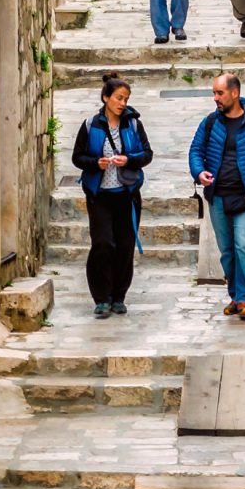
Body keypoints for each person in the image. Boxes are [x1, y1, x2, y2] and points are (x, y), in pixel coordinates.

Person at [188, 72, 245, 321]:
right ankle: (234, 295)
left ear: (234, 93)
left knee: (243, 246)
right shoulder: (210, 123)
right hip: (217, 195)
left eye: (220, 93)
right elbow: (196, 150)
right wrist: (199, 173)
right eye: (214, 93)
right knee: (227, 250)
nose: (216, 98)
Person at [70, 74, 154, 320]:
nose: (123, 103)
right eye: (119, 98)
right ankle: (101, 298)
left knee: (125, 246)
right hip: (100, 196)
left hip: (127, 196)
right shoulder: (90, 125)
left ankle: (119, 297)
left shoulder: (133, 124)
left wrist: (128, 160)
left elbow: (147, 154)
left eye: (126, 99)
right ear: (106, 97)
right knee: (103, 244)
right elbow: (77, 158)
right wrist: (97, 163)